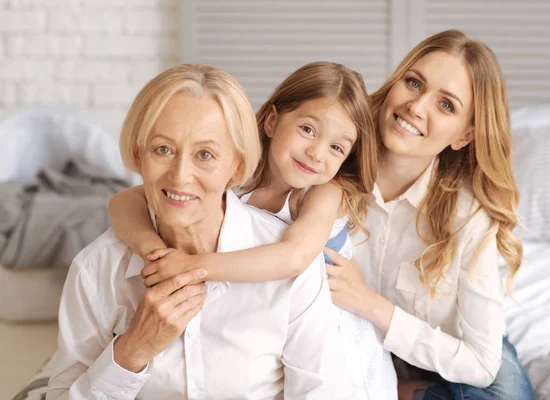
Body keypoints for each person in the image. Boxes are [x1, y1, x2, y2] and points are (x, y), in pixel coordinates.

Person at [47, 64, 355, 400]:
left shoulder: (295, 263)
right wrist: (131, 352)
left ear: (237, 166)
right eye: (163, 149)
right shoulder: (96, 270)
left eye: (205, 155)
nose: (180, 177)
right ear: (139, 153)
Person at [325, 30, 535, 400]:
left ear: (465, 136)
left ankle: (407, 391)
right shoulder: (333, 165)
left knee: (504, 395)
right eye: (413, 83)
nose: (416, 107)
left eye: (446, 105)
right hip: (350, 347)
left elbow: (482, 364)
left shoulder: (469, 218)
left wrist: (371, 304)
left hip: (445, 352)